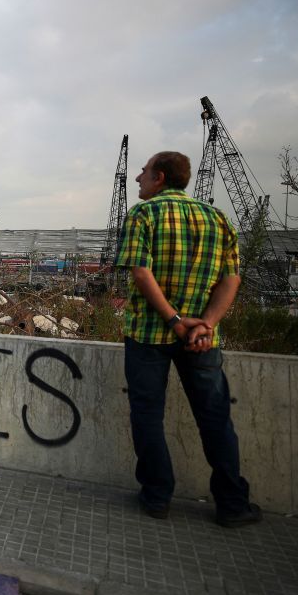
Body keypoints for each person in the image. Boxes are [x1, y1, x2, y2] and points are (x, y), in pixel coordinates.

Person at [115, 151, 261, 528]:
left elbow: (141, 273)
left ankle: (157, 497)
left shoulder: (144, 215)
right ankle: (232, 504)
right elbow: (232, 279)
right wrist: (206, 324)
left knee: (148, 415)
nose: (137, 179)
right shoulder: (218, 218)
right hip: (202, 340)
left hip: (150, 334)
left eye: (143, 173)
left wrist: (176, 320)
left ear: (159, 177)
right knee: (215, 418)